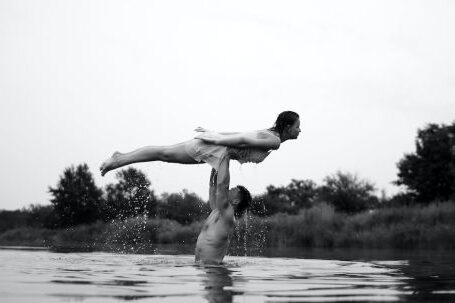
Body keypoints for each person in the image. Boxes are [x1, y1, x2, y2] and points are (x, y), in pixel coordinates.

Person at [99, 111, 300, 176]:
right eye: (297, 126)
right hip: (213, 146)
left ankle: (121, 158)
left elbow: (241, 138)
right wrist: (215, 138)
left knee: (165, 153)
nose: (300, 130)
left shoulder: (270, 136)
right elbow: (242, 139)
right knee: (164, 153)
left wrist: (216, 135)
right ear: (288, 126)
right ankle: (119, 160)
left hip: (216, 148)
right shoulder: (274, 141)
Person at [195, 157, 252, 264]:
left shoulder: (228, 215)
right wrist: (215, 164)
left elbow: (222, 186)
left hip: (215, 271)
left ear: (236, 201)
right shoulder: (217, 211)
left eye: (234, 190)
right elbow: (213, 185)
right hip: (203, 269)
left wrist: (225, 158)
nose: (231, 189)